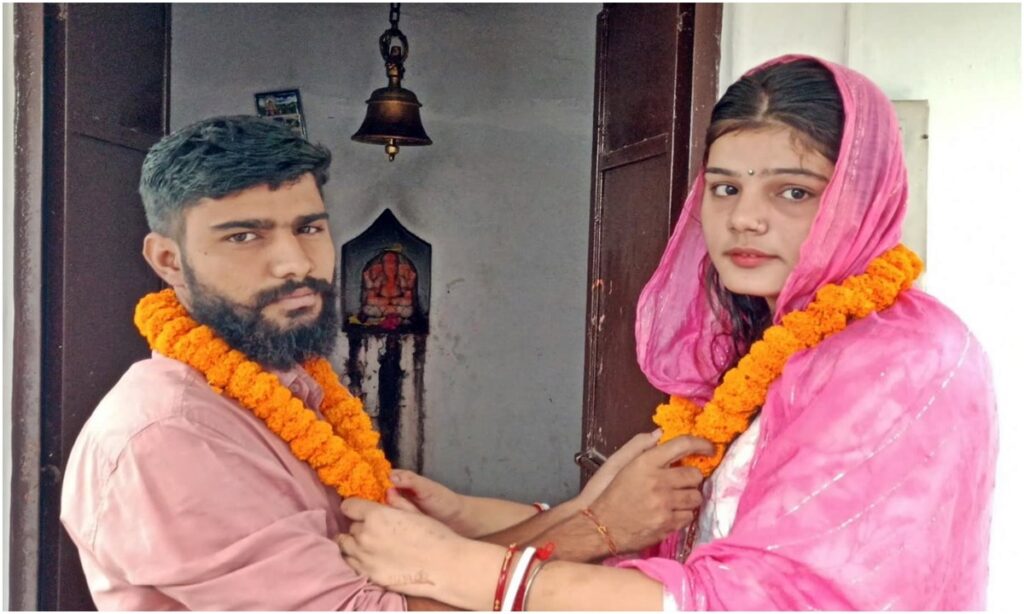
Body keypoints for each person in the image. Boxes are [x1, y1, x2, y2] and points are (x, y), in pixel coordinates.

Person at [336, 55, 998, 610]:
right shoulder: (764, 345)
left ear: (860, 200)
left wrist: (462, 570)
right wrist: (468, 516)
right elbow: (689, 532)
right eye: (726, 188)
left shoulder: (906, 359)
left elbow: (759, 600)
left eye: (792, 192)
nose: (745, 219)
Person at [59, 115, 709, 610]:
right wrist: (597, 528)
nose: (294, 263)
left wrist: (592, 511)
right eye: (245, 236)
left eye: (308, 228)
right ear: (168, 260)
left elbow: (419, 574)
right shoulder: (171, 435)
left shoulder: (287, 382)